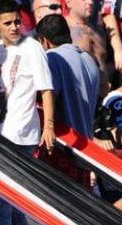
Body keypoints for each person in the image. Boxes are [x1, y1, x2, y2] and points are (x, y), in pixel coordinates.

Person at [0, 0, 55, 225]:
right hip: (2, 131)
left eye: (17, 21)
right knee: (9, 199)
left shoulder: (33, 47)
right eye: (8, 23)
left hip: (23, 134)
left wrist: (48, 126)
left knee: (0, 197)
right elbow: (1, 91)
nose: (15, 27)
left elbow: (46, 89)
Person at [37, 14, 99, 187]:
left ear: (44, 41)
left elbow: (48, 95)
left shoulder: (52, 58)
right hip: (86, 153)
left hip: (61, 149)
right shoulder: (89, 60)